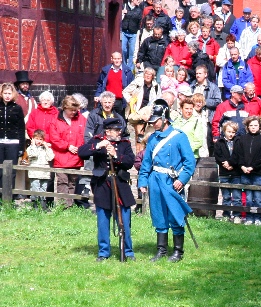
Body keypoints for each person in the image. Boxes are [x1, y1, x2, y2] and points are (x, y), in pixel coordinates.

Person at [137, 98, 196, 262]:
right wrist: (143, 181)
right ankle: (161, 250)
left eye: (155, 121)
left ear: (165, 119)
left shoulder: (179, 137)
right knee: (158, 214)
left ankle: (178, 251)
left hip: (172, 181)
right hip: (155, 180)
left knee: (175, 214)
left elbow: (190, 163)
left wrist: (182, 180)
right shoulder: (152, 138)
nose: (153, 124)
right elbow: (146, 162)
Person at [78, 118, 137, 261]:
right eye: (116, 130)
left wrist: (116, 155)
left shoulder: (124, 143)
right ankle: (103, 252)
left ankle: (128, 251)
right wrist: (98, 146)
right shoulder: (97, 141)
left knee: (124, 220)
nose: (119, 133)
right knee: (103, 221)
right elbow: (82, 152)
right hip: (102, 185)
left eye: (119, 130)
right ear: (107, 131)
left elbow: (130, 162)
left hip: (120, 184)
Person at [48, 96, 88, 208]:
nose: (74, 112)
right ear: (65, 108)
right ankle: (63, 206)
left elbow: (85, 135)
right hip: (61, 156)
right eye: (71, 110)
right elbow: (54, 138)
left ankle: (70, 205)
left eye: (75, 110)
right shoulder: (55, 120)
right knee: (62, 181)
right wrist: (67, 146)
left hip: (76, 156)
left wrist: (79, 148)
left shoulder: (81, 119)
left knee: (73, 182)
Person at [233, 115, 261, 225]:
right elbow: (238, 154)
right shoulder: (242, 139)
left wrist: (253, 167)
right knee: (248, 198)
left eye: (255, 125)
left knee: (258, 197)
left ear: (260, 126)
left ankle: (258, 217)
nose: (253, 127)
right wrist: (242, 166)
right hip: (245, 172)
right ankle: (249, 217)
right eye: (251, 125)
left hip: (258, 173)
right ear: (247, 127)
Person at [0, 83, 25, 201]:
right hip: (0, 142)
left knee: (11, 171)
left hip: (13, 143)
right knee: (0, 170)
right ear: (1, 94)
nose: (7, 96)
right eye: (5, 93)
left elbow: (21, 128)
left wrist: (21, 147)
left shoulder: (17, 108)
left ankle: (9, 198)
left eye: (9, 93)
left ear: (13, 94)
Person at [124, 67, 161, 143]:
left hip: (149, 113)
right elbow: (125, 92)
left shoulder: (156, 86)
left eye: (150, 74)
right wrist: (130, 100)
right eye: (146, 73)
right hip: (137, 111)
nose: (148, 76)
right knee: (139, 135)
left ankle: (145, 149)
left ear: (153, 76)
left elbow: (158, 100)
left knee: (147, 136)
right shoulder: (138, 83)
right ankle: (138, 149)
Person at [214, 121, 241, 221]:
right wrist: (224, 163)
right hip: (224, 173)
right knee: (226, 196)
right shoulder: (219, 142)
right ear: (224, 131)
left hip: (236, 172)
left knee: (237, 196)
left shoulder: (238, 142)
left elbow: (238, 155)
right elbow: (218, 155)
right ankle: (226, 214)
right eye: (229, 132)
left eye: (233, 132)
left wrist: (231, 164)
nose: (231, 134)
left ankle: (237, 215)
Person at [24, 129, 54, 210]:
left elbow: (50, 157)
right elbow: (34, 154)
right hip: (34, 173)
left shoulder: (45, 149)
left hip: (44, 173)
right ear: (33, 139)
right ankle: (35, 205)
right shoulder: (30, 148)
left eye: (41, 139)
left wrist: (47, 147)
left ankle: (43, 205)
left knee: (43, 188)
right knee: (35, 188)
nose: (39, 141)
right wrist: (33, 145)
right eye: (36, 139)